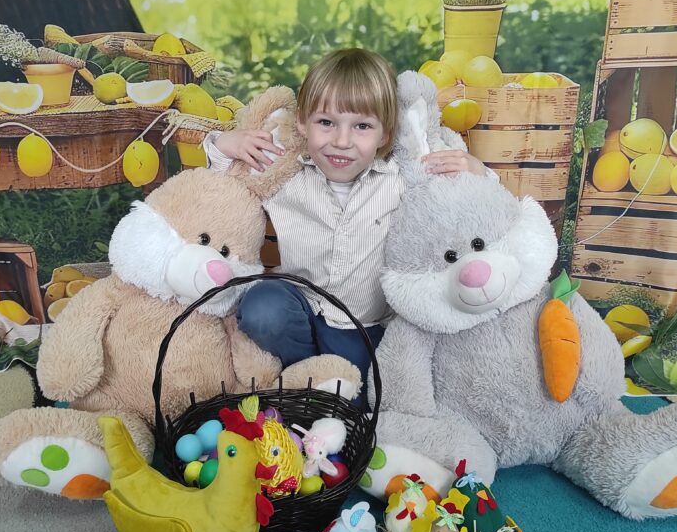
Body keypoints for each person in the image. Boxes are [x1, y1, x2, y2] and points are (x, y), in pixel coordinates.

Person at [204, 48, 488, 404]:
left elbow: (469, 206)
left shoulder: (399, 180)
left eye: (362, 127)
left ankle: (318, 394)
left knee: (354, 399)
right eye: (326, 122)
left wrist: (478, 171)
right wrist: (221, 144)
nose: (341, 141)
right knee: (262, 307)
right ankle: (304, 376)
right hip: (300, 312)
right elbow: (220, 185)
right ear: (302, 123)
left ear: (385, 134)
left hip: (364, 327)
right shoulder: (286, 173)